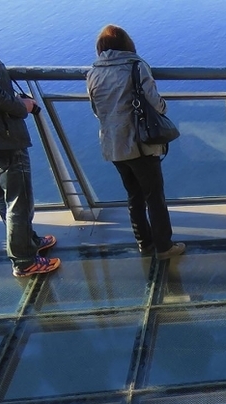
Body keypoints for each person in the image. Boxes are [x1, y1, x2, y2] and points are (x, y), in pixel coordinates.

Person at [0, 1, 60, 277]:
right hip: (1, 136)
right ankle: (24, 260)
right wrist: (23, 107)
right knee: (19, 199)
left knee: (2, 197)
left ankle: (28, 242)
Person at [86, 25, 184, 259]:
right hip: (139, 143)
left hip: (113, 145)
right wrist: (164, 108)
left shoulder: (93, 73)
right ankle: (164, 246)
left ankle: (144, 242)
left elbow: (97, 111)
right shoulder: (136, 67)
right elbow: (155, 102)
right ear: (127, 45)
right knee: (154, 196)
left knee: (134, 195)